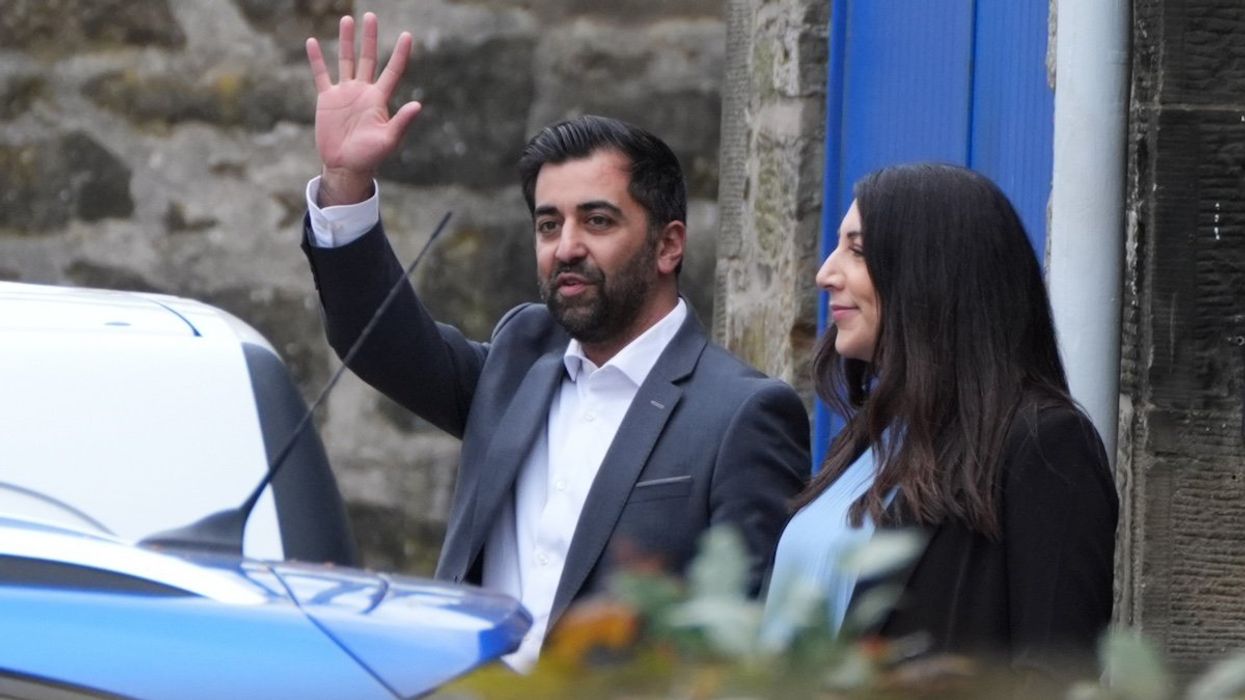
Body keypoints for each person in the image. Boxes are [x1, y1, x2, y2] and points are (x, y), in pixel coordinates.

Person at [299, 13, 810, 670]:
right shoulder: (521, 357)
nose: (566, 247)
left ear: (668, 244)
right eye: (548, 225)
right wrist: (345, 185)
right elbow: (380, 341)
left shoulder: (741, 414)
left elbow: (745, 647)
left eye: (596, 221)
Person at [764, 163, 1118, 680]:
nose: (825, 273)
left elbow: (1056, 673)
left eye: (857, 251)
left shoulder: (1044, 444)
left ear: (931, 274)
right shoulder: (875, 436)